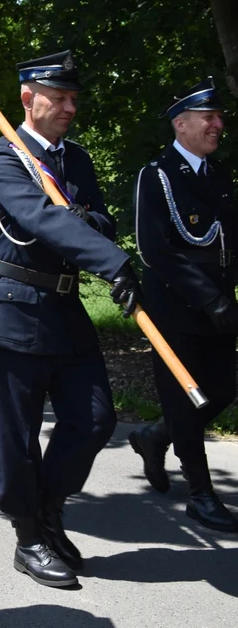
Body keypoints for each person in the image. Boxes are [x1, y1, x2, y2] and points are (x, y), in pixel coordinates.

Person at [0, 50, 142, 588]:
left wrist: (86, 220)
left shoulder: (77, 159)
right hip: (14, 309)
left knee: (94, 419)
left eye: (73, 98)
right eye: (59, 97)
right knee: (18, 435)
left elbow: (101, 217)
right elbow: (40, 220)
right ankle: (27, 537)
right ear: (28, 97)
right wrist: (108, 255)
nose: (69, 106)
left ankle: (47, 509)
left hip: (65, 308)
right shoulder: (6, 158)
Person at [129, 77, 237, 533]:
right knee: (185, 398)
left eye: (218, 116)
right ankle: (200, 494)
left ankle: (155, 436)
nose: (218, 124)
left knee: (225, 390)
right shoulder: (157, 176)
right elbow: (157, 251)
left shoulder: (220, 174)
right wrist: (211, 299)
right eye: (208, 117)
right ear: (181, 123)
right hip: (176, 309)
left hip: (219, 307)